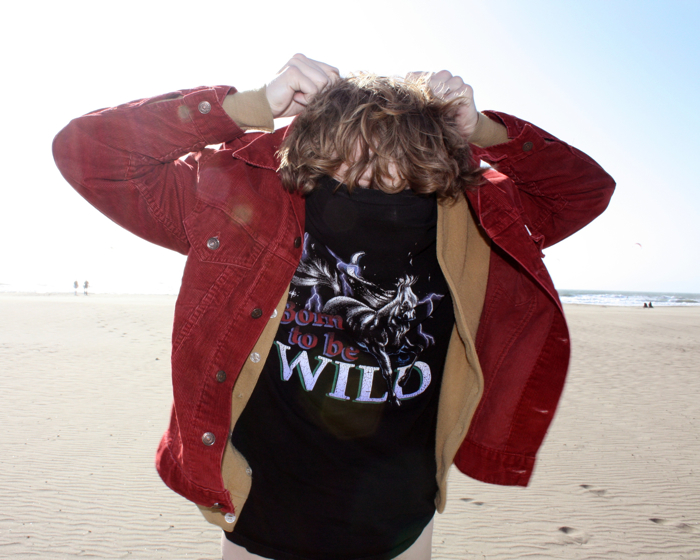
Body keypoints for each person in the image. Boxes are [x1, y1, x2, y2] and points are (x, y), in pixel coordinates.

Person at [53, 54, 615, 560]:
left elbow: (584, 191)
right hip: (259, 516)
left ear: (435, 147)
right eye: (353, 139)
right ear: (315, 138)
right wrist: (249, 105)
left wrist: (484, 128)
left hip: (398, 525)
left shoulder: (473, 220)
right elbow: (92, 153)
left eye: (398, 142)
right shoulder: (244, 203)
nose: (372, 166)